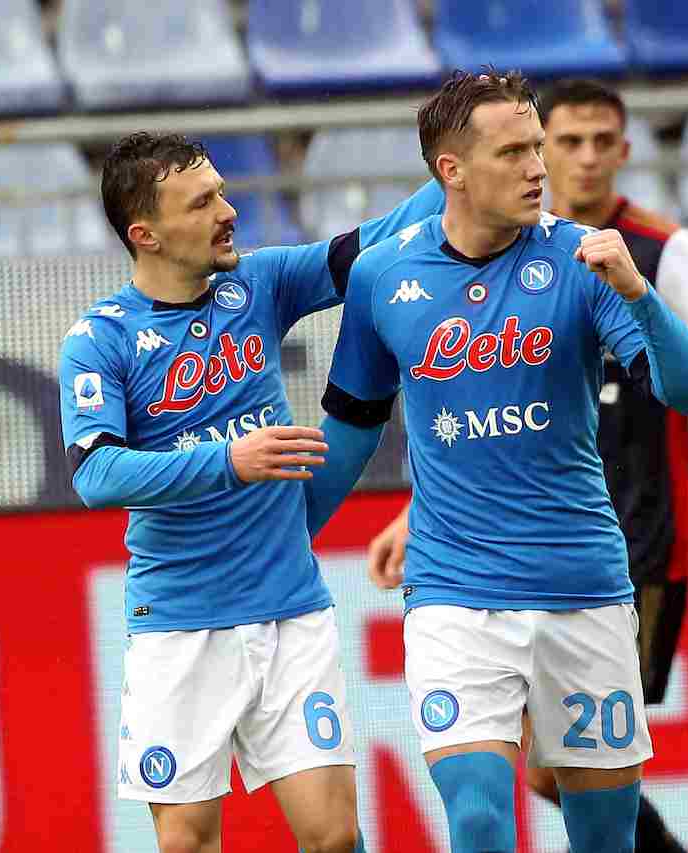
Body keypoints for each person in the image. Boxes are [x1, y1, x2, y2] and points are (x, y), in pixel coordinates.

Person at [366, 79, 688, 852]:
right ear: (459, 167)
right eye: (550, 143)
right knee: (500, 792)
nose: (568, 161)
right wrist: (417, 510)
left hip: (626, 544)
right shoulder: (424, 268)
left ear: (625, 150)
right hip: (475, 569)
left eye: (590, 142)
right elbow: (476, 410)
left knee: (583, 787)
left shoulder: (656, 251)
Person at [303, 70, 688, 853]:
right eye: (515, 151)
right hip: (455, 593)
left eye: (538, 147)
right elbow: (353, 425)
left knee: (604, 833)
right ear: (450, 171)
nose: (540, 168)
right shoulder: (381, 276)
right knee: (481, 816)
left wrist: (637, 292)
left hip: (584, 587)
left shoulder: (582, 260)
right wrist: (290, 534)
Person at [58, 131, 442, 853]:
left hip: (289, 611)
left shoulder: (258, 283)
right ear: (146, 233)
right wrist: (228, 459)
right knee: (188, 843)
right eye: (202, 202)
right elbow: (96, 474)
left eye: (222, 191)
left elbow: (385, 236)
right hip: (178, 622)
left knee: (334, 835)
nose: (228, 210)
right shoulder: (99, 340)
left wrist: (465, 152)